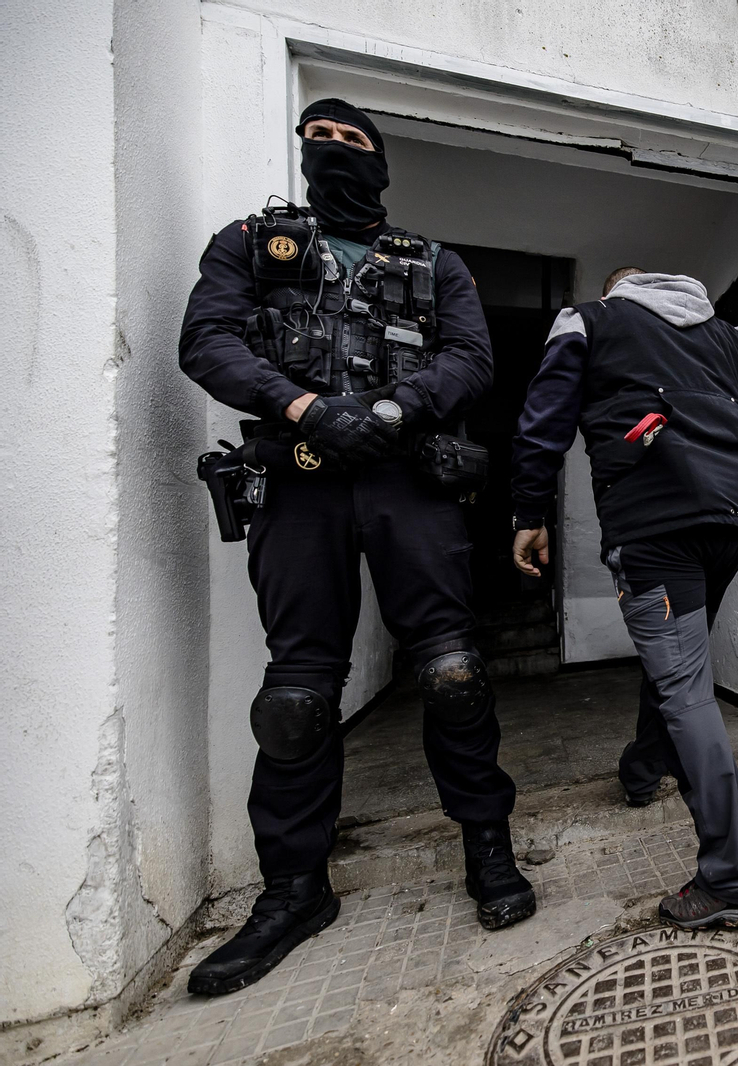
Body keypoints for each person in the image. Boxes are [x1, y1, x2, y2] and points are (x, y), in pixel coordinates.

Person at [178, 98, 534, 996]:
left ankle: (487, 845)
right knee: (298, 692)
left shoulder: (433, 261)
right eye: (319, 137)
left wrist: (388, 411)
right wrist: (305, 408)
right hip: (298, 478)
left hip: (407, 478)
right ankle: (294, 890)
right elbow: (205, 341)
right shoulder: (253, 244)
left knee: (452, 671)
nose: (332, 149)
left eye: (352, 140)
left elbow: (471, 358)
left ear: (380, 160)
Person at [510, 267, 738, 928]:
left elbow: (543, 425)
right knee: (680, 662)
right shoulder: (726, 334)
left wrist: (528, 513)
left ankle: (734, 878)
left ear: (618, 289)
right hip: (733, 520)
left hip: (654, 524)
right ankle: (644, 767)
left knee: (685, 688)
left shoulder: (589, 320)